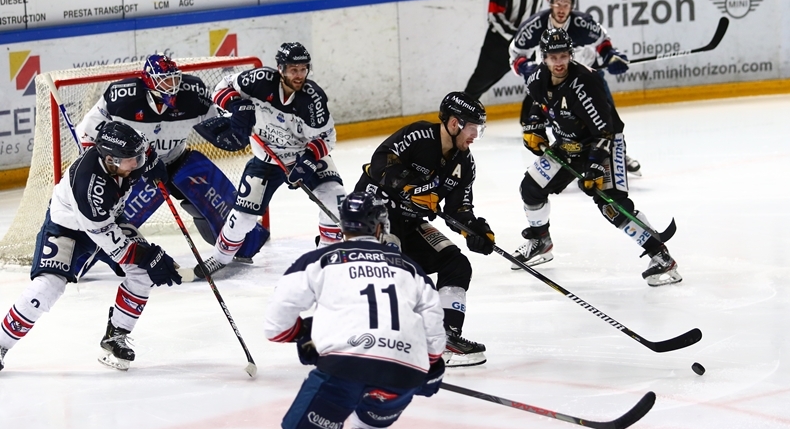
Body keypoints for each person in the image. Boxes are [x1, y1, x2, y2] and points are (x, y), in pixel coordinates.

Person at [263, 191, 446, 429]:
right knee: (371, 428)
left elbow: (275, 326)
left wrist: (303, 335)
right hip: (403, 374)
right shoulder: (409, 268)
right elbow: (434, 325)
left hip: (344, 366)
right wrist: (431, 366)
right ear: (378, 227)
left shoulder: (319, 260)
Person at [0, 122, 182, 372]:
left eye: (138, 158)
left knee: (142, 273)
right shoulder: (89, 189)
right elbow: (117, 246)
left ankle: (115, 335)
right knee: (47, 286)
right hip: (69, 228)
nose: (137, 163)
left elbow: (145, 149)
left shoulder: (125, 157)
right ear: (111, 160)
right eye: (133, 160)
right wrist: (150, 255)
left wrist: (152, 162)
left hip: (110, 219)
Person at [512, 28, 681, 287]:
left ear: (570, 55)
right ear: (544, 57)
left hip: (604, 144)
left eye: (564, 56)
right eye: (553, 57)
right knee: (531, 188)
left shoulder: (585, 83)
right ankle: (540, 241)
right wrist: (533, 127)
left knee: (611, 204)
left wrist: (593, 169)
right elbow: (539, 104)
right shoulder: (536, 79)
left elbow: (605, 131)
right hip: (568, 144)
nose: (559, 62)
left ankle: (661, 257)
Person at [75, 54, 269, 271]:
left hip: (176, 161)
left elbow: (218, 120)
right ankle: (82, 256)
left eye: (174, 79)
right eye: (165, 81)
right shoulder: (122, 96)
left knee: (214, 197)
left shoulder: (193, 93)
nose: (173, 86)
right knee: (111, 216)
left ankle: (242, 245)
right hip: (137, 169)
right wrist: (103, 170)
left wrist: (235, 126)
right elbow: (85, 132)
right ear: (149, 81)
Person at [353, 92, 495, 367]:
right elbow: (381, 161)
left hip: (410, 222)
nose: (475, 135)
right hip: (374, 213)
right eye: (472, 128)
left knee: (456, 264)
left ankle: (444, 338)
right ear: (454, 123)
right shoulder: (419, 136)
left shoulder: (464, 164)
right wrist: (409, 185)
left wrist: (474, 230)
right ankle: (378, 338)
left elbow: (458, 210)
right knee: (393, 269)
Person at [195, 42, 345, 279]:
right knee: (242, 218)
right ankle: (221, 257)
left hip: (304, 154)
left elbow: (327, 137)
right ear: (280, 69)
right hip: (266, 159)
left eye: (303, 69)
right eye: (293, 69)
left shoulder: (312, 98)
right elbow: (220, 89)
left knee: (334, 197)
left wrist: (307, 161)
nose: (299, 75)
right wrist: (237, 105)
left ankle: (327, 252)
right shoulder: (258, 81)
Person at [509, 0, 642, 175]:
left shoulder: (582, 23)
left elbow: (603, 42)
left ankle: (618, 156)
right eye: (558, 3)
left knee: (607, 122)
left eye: (567, 3)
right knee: (551, 125)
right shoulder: (535, 25)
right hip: (552, 84)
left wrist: (610, 56)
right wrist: (524, 67)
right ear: (550, 2)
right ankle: (560, 160)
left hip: (588, 83)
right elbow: (515, 52)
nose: (562, 8)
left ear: (572, 5)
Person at [464, 0, 558, 101]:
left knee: (544, 81)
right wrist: (519, 37)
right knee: (479, 84)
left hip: (530, 41)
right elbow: (495, 15)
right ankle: (455, 115)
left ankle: (544, 118)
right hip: (500, 42)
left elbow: (558, 5)